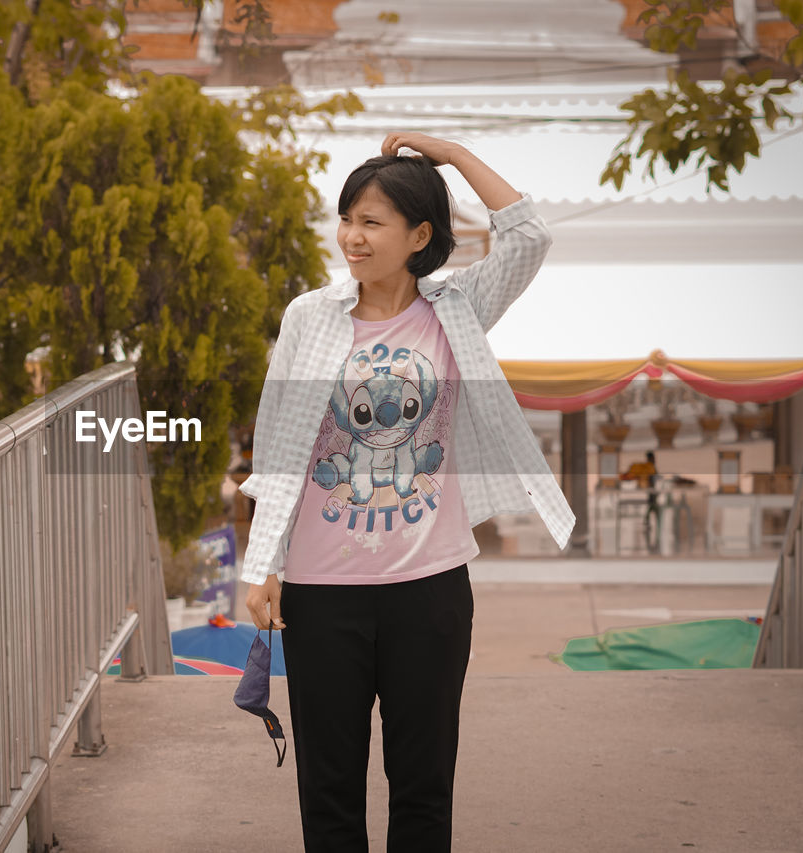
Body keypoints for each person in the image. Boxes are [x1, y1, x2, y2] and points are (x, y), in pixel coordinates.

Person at [239, 131, 575, 851]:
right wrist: (261, 562)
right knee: (329, 788)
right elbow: (277, 447)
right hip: (322, 591)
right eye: (347, 218)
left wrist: (450, 155)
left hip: (430, 587)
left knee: (423, 786)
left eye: (372, 221)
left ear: (419, 234)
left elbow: (529, 234)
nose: (351, 237)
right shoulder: (309, 316)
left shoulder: (456, 310)